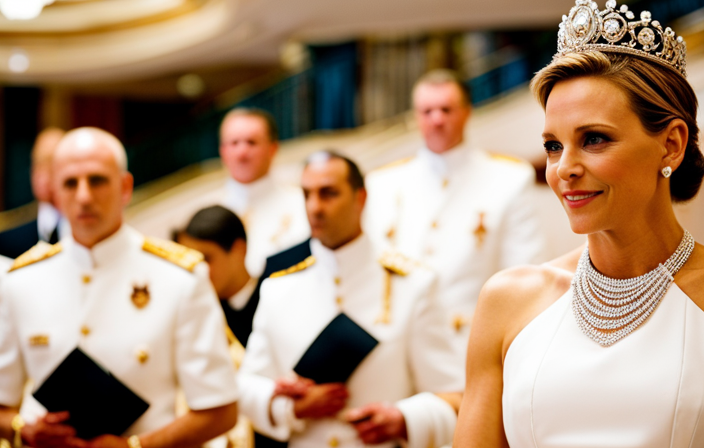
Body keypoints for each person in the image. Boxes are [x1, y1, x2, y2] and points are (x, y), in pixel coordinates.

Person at [453, 1, 704, 447]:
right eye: (553, 146)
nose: (564, 168)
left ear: (671, 146)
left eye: (594, 140)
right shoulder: (508, 303)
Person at [0, 127, 239, 448]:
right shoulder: (22, 280)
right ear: (55, 192)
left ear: (125, 187)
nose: (84, 196)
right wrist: (23, 429)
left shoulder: (180, 276)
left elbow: (220, 410)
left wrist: (134, 447)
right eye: (70, 183)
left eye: (97, 180)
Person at [238, 151, 463, 448]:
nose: (315, 207)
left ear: (361, 198)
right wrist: (290, 408)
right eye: (307, 195)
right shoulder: (278, 289)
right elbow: (246, 386)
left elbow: (455, 396)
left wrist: (404, 418)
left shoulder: (413, 285)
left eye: (328, 193)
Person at [364, 69, 546, 362]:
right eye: (427, 111)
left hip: (468, 345)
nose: (437, 119)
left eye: (446, 109)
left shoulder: (509, 178)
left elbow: (523, 274)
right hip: (396, 348)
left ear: (466, 112)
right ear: (415, 116)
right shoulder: (383, 182)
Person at [219, 108, 309, 278]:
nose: (242, 153)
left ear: (273, 148)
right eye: (234, 143)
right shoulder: (210, 214)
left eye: (252, 142)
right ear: (222, 151)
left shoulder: (302, 204)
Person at [177, 205, 259, 347]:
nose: (198, 270)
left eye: (206, 259)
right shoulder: (199, 317)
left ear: (238, 250)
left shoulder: (274, 296)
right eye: (191, 261)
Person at [0, 128, 68, 259]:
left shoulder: (91, 233)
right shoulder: (7, 240)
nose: (42, 175)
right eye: (38, 164)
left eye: (51, 163)